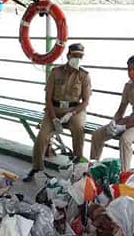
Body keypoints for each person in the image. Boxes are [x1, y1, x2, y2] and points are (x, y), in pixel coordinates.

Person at [24, 43, 91, 182]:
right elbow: (48, 97)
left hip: (74, 110)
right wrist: (54, 118)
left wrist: (71, 114)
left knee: (79, 129)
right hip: (54, 109)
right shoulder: (56, 72)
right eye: (74, 55)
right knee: (42, 136)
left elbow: (85, 101)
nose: (77, 58)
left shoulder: (84, 76)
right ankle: (37, 167)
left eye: (80, 56)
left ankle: (78, 166)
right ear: (68, 55)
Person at [88, 54, 134, 170]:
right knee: (98, 134)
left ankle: (124, 174)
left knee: (125, 139)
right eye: (129, 69)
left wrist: (123, 127)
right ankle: (93, 167)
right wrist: (114, 122)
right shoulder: (129, 86)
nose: (131, 73)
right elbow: (122, 108)